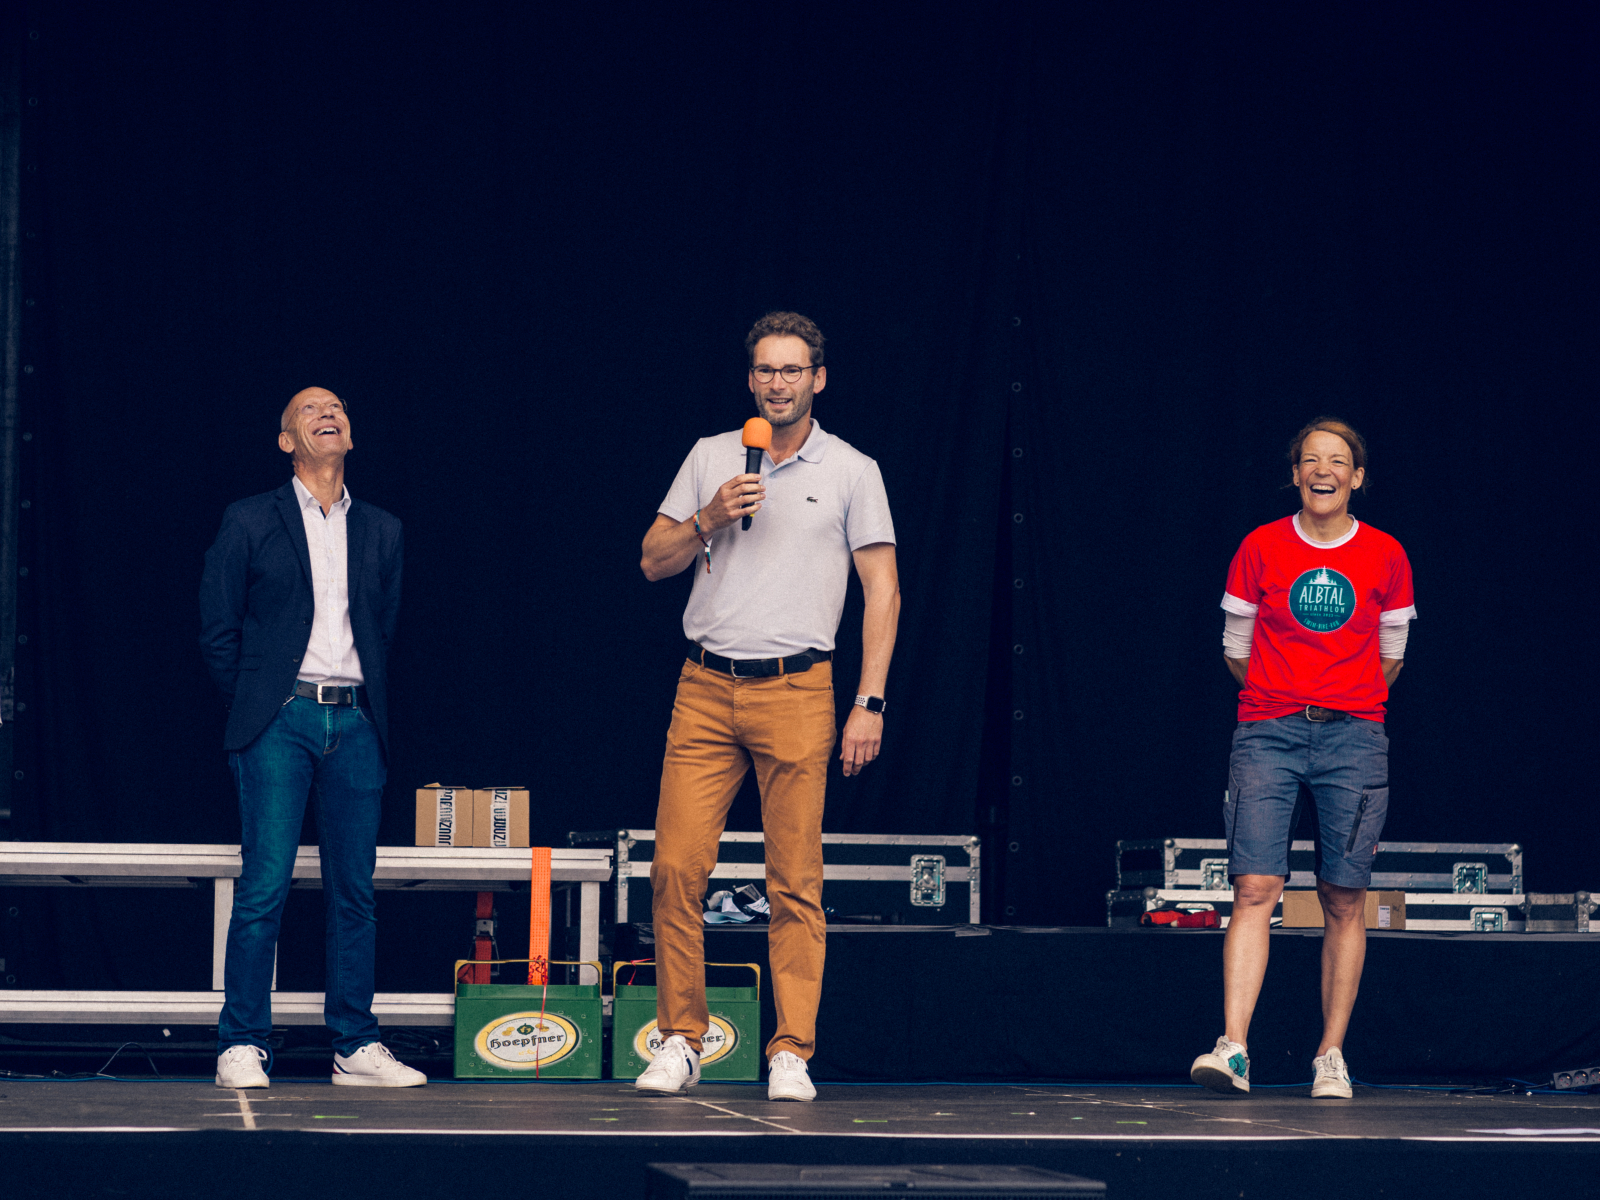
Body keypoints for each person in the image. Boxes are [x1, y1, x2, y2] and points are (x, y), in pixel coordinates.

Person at [634, 312, 900, 1102]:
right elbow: (652, 561)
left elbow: (882, 590)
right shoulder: (711, 455)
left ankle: (792, 1051)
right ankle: (682, 1041)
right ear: (749, 380)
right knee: (675, 870)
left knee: (794, 881)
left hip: (798, 688)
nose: (778, 383)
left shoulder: (853, 469)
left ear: (818, 379)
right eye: (765, 371)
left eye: (793, 371)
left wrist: (870, 701)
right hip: (705, 686)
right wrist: (708, 517)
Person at [199, 387, 425, 1089]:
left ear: (350, 436)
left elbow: (382, 628)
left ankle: (355, 1044)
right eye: (309, 410)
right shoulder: (249, 518)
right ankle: (242, 1042)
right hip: (281, 719)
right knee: (264, 885)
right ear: (286, 441)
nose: (328, 413)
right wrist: (259, 704)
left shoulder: (382, 528)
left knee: (354, 891)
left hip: (355, 720)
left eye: (337, 408)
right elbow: (218, 627)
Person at [1189, 418, 1415, 1100]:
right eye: (1311, 460)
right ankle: (1234, 1049)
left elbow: (1392, 657)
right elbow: (1236, 647)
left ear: (1357, 478)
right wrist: (1283, 697)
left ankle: (1330, 1057)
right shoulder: (1260, 546)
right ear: (1295, 475)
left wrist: (1343, 700)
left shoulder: (1386, 554)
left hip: (1355, 737)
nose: (1324, 470)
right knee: (1255, 887)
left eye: (1338, 461)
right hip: (1268, 732)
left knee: (1345, 896)